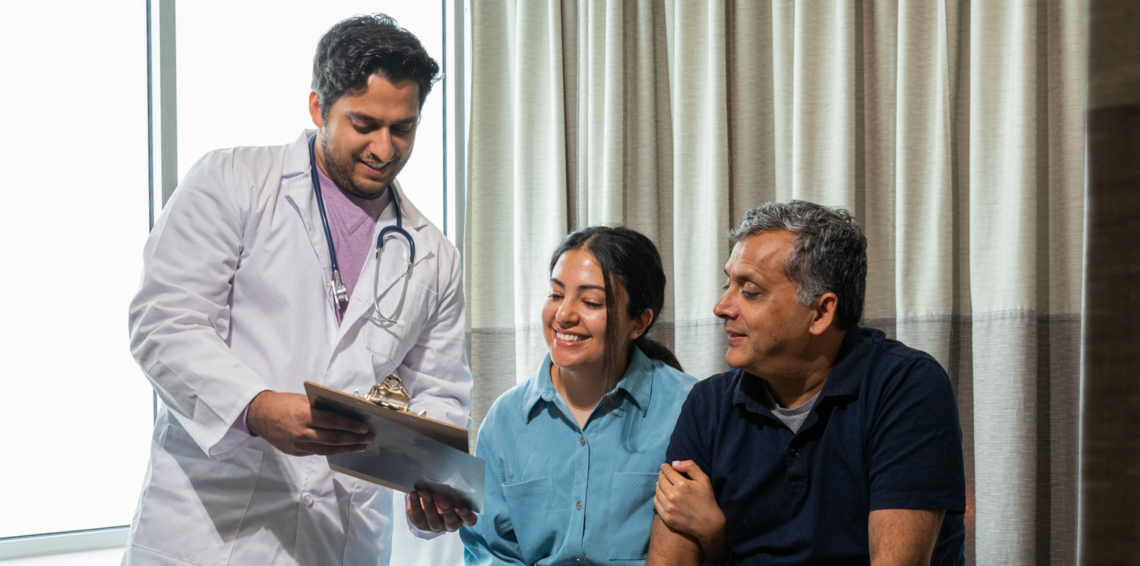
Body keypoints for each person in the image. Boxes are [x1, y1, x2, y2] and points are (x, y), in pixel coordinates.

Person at [123, 14, 473, 565]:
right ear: (318, 108)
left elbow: (438, 392)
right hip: (211, 527)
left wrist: (433, 484)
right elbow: (166, 325)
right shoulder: (232, 183)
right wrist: (256, 408)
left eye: (402, 128)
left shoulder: (434, 255)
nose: (384, 148)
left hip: (339, 535)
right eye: (364, 124)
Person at [648, 201, 966, 566]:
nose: (721, 306)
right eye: (728, 284)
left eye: (749, 291)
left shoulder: (906, 387)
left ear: (821, 312)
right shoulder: (709, 404)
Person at [459, 226, 698, 565]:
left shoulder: (689, 407)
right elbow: (490, 551)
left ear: (638, 323)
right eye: (556, 295)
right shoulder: (506, 420)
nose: (564, 315)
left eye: (591, 302)